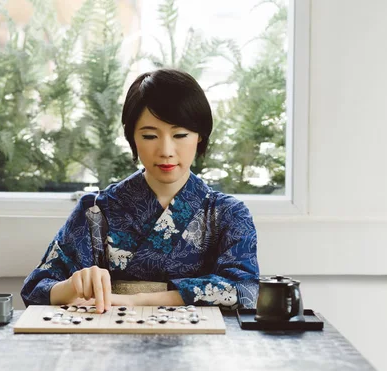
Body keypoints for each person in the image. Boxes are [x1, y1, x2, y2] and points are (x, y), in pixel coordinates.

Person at [21, 68, 259, 313]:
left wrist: (139, 301)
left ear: (200, 136)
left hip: (197, 344)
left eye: (180, 134)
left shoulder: (228, 214)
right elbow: (35, 289)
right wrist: (72, 286)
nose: (166, 150)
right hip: (109, 341)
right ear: (132, 137)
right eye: (149, 136)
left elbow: (245, 290)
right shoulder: (95, 210)